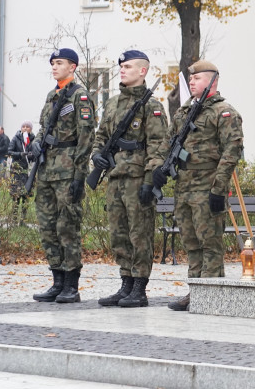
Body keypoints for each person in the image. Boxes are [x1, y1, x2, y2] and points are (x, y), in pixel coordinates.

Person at [151, 60, 243, 312]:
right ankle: (196, 291)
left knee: (209, 242)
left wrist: (218, 188)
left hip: (208, 185)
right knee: (190, 241)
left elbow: (231, 152)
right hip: (184, 185)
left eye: (198, 78)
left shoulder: (224, 112)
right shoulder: (184, 112)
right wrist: (158, 168)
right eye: (191, 79)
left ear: (213, 80)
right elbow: (168, 143)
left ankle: (212, 294)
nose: (192, 82)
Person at [92, 50, 169, 308]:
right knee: (119, 235)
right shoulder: (113, 104)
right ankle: (125, 283)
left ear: (142, 71)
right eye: (121, 67)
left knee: (140, 234)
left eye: (127, 66)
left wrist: (151, 180)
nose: (122, 70)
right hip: (114, 177)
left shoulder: (152, 107)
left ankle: (139, 288)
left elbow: (158, 146)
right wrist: (97, 157)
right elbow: (100, 136)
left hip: (137, 178)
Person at [31, 48, 96, 304]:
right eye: (52, 63)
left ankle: (71, 284)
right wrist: (36, 143)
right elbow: (42, 128)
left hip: (68, 171)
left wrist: (80, 174)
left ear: (73, 67)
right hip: (47, 170)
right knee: (47, 227)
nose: (54, 67)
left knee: (67, 227)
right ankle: (57, 280)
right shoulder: (52, 95)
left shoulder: (79, 97)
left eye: (59, 63)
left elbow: (86, 136)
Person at [7, 121, 36, 216]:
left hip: (28, 171)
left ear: (31, 129)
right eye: (23, 126)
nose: (25, 128)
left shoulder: (34, 140)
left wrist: (31, 155)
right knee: (16, 195)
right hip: (17, 170)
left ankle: (23, 218)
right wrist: (20, 154)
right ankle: (14, 218)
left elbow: (36, 154)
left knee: (26, 195)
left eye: (27, 126)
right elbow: (9, 152)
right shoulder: (16, 138)